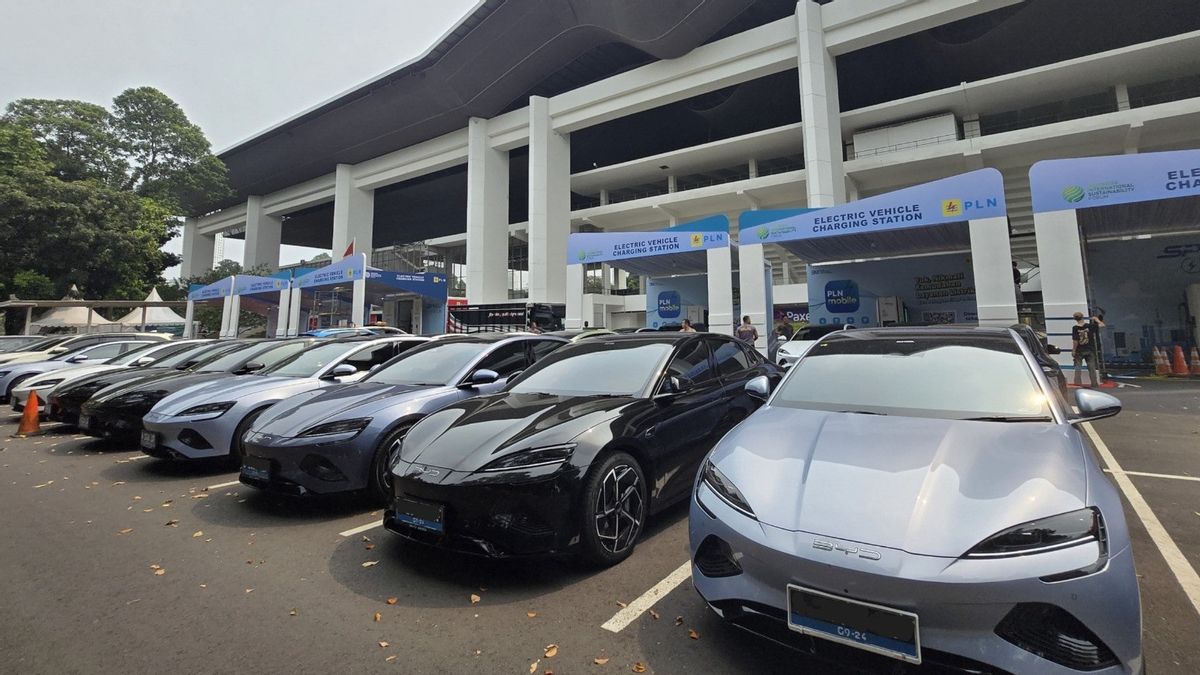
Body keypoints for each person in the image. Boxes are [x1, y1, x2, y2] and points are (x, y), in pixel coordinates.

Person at [1071, 311, 1099, 387]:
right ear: (1082, 317)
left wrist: (1073, 350)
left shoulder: (1075, 328)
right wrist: (1097, 320)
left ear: (1075, 319)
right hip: (1090, 349)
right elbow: (1102, 325)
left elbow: (1075, 340)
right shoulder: (1089, 326)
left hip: (1079, 350)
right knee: (1091, 368)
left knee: (1078, 367)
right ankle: (1094, 383)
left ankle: (1077, 383)